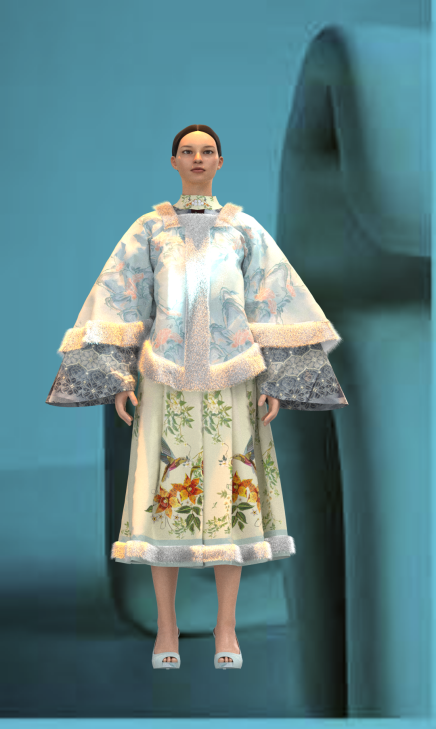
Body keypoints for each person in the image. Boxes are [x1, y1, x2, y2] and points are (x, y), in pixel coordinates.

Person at [46, 124, 348, 669]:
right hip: (164, 381)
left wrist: (273, 380)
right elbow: (120, 300)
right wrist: (121, 378)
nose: (198, 158)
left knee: (230, 505)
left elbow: (273, 298)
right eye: (188, 151)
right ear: (174, 161)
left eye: (207, 151)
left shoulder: (243, 230)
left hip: (234, 382)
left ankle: (225, 629)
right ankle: (167, 629)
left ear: (220, 161)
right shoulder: (149, 231)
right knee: (165, 504)